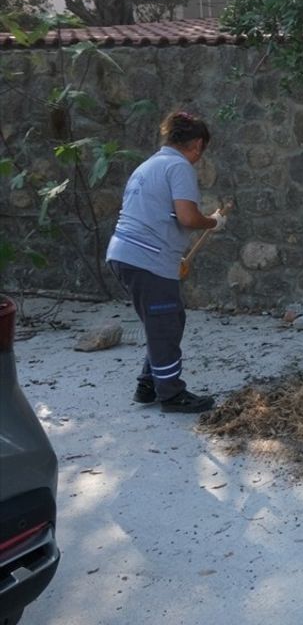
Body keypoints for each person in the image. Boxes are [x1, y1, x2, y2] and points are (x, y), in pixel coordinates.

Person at [106, 111, 227, 414]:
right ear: (197, 144)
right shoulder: (178, 166)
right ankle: (171, 394)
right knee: (166, 322)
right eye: (202, 150)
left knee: (163, 320)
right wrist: (213, 221)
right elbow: (187, 216)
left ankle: (149, 385)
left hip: (125, 253)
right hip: (147, 257)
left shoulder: (148, 166)